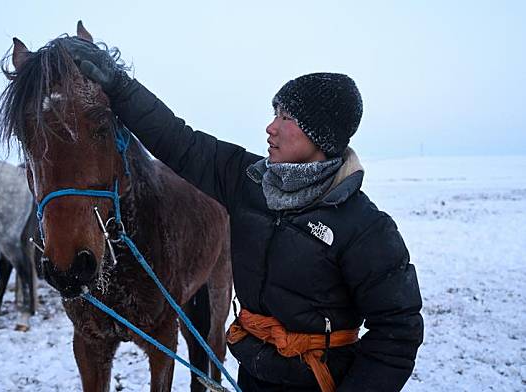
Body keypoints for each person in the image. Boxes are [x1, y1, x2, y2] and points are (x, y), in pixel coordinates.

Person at [62, 37, 424, 392]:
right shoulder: (247, 180)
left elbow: (399, 330)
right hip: (254, 375)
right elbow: (178, 140)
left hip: (321, 382)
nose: (271, 127)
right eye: (274, 114)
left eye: (287, 117)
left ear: (322, 138)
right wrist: (119, 85)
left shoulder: (364, 227)